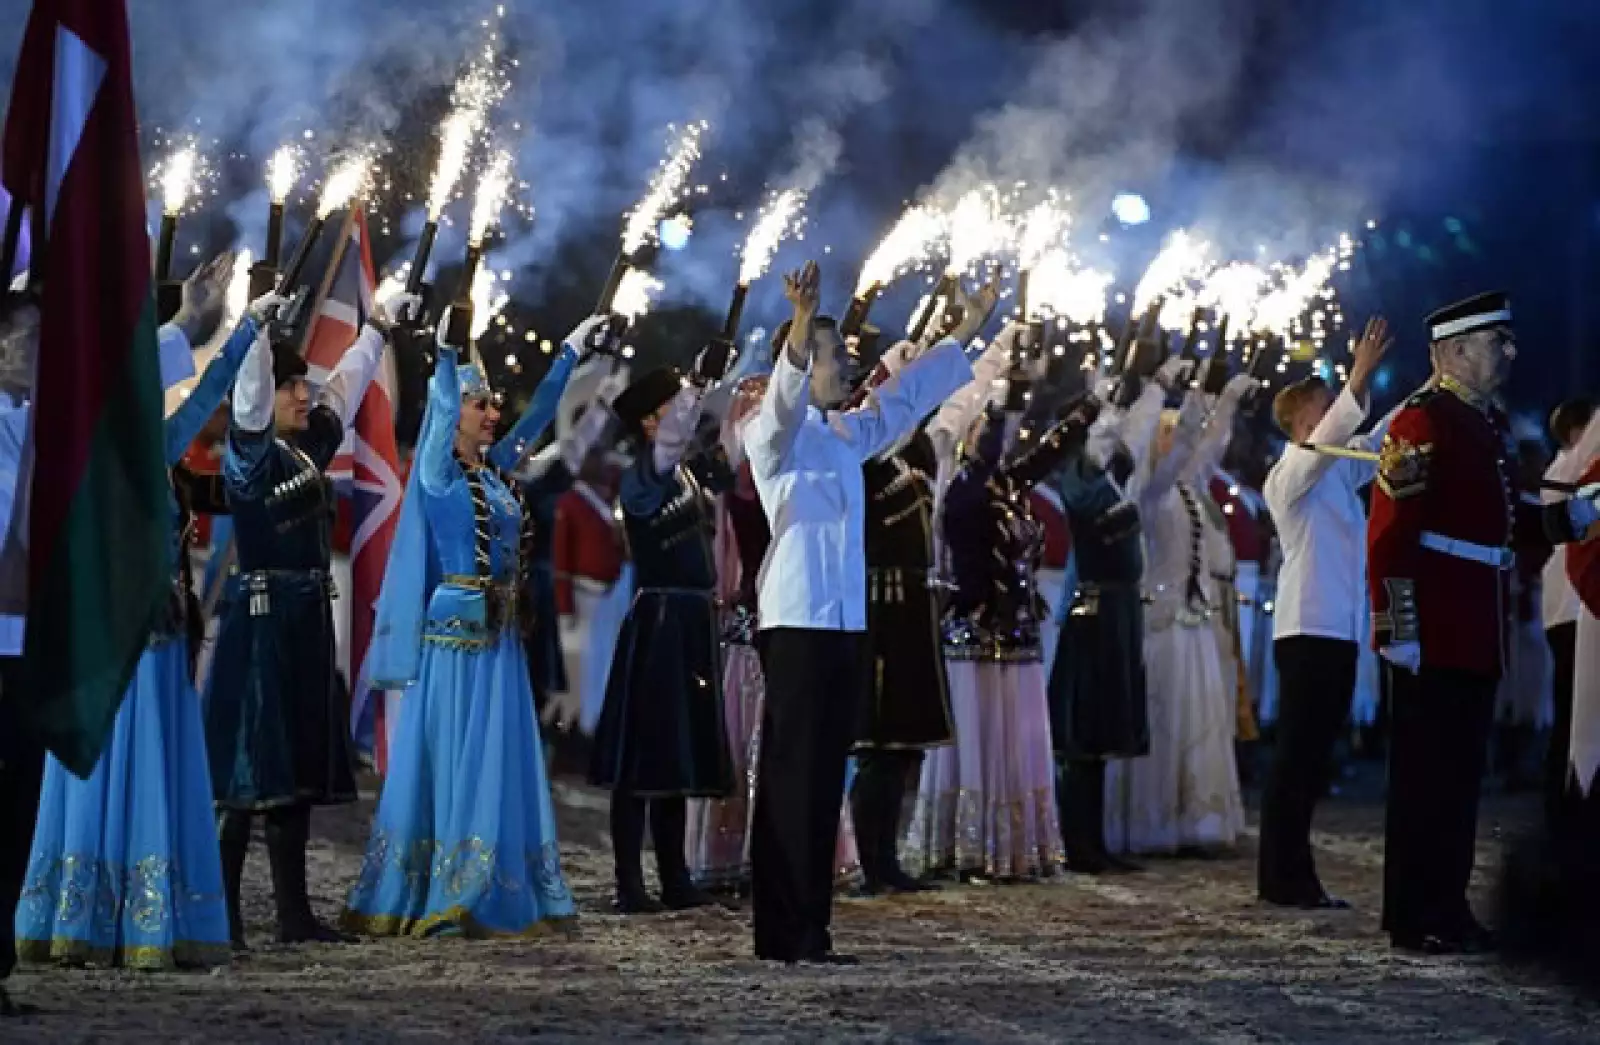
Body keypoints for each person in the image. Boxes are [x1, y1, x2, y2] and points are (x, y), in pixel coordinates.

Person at [14, 284, 273, 969]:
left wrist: (247, 329)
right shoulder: (82, 442)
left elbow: (202, 393)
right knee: (111, 768)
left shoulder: (153, 445)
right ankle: (87, 920)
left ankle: (144, 918)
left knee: (154, 767)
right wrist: (186, 322)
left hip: (157, 641)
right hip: (110, 643)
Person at [741, 261, 990, 964]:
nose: (849, 369)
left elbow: (906, 400)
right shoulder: (773, 436)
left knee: (826, 784)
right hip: (794, 625)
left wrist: (966, 327)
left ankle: (812, 926)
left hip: (845, 627)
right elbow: (786, 400)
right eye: (836, 357)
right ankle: (781, 930)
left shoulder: (848, 437)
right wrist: (800, 323)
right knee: (791, 780)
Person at [341, 314, 606, 938]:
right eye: (479, 404)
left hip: (501, 641)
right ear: (453, 409)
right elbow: (439, 408)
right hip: (457, 642)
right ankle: (453, 885)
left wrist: (567, 352)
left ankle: (496, 880)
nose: (492, 414)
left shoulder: (495, 471)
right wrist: (444, 354)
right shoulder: (436, 475)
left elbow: (537, 418)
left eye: (491, 404)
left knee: (496, 753)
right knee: (460, 754)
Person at [205, 288, 411, 946]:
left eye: (303, 382)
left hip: (303, 622)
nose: (303, 393)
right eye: (291, 384)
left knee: (291, 773)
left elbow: (345, 390)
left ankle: (294, 914)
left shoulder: (305, 451)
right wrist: (257, 333)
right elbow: (252, 397)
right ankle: (225, 913)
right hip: (260, 623)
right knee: (245, 775)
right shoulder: (249, 453)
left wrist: (377, 328)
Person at [1368, 291, 1537, 954]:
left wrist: (1566, 521)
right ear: (1456, 351)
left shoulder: (1481, 421)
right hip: (1435, 623)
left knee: (1461, 777)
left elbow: (1502, 524)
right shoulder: (1420, 421)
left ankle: (1448, 902)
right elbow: (1390, 535)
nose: (1511, 352)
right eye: (1499, 341)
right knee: (1423, 779)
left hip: (1474, 619)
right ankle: (1413, 913)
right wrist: (1398, 625)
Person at [904, 388, 1088, 880]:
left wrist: (1083, 413)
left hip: (1016, 633)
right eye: (988, 428)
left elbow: (1046, 456)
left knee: (1016, 737)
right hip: (978, 632)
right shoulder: (964, 489)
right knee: (982, 736)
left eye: (1001, 430)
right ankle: (967, 846)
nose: (997, 439)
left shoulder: (1006, 484)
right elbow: (967, 559)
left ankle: (1013, 845)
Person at [589, 355, 736, 913]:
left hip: (692, 622)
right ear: (650, 423)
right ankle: (630, 883)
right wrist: (696, 382)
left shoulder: (687, 472)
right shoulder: (643, 475)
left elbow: (744, 441)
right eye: (672, 409)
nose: (685, 415)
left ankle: (674, 878)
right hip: (660, 623)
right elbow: (675, 437)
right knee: (642, 759)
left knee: (674, 757)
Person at [1257, 316, 1395, 909]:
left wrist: (1433, 391)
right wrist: (1358, 375)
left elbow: (1380, 438)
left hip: (1337, 630)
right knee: (1297, 759)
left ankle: (1293, 875)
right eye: (1325, 405)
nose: (1337, 410)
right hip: (1306, 629)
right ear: (1302, 421)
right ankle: (1283, 877)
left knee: (1313, 760)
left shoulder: (1336, 471)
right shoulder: (1288, 473)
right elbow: (1343, 430)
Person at [1104, 364, 1257, 856]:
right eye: (1166, 435)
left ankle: (1201, 821)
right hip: (1163, 624)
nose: (1177, 443)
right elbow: (1183, 452)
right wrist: (1194, 397)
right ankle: (1156, 823)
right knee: (1167, 723)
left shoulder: (1189, 491)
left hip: (1194, 622)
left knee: (1203, 725)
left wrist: (1227, 398)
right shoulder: (1147, 495)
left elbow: (1208, 446)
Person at [1047, 386, 1149, 875]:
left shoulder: (1109, 481)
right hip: (1092, 613)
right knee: (1082, 740)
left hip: (1117, 612)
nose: (1110, 438)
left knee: (1102, 737)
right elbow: (1083, 500)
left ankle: (1096, 839)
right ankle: (1077, 841)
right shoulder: (1077, 480)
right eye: (1099, 432)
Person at [1542, 398, 1597, 823]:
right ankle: (1563, 804)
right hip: (1571, 603)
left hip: (1571, 602)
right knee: (1572, 713)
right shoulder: (1567, 470)